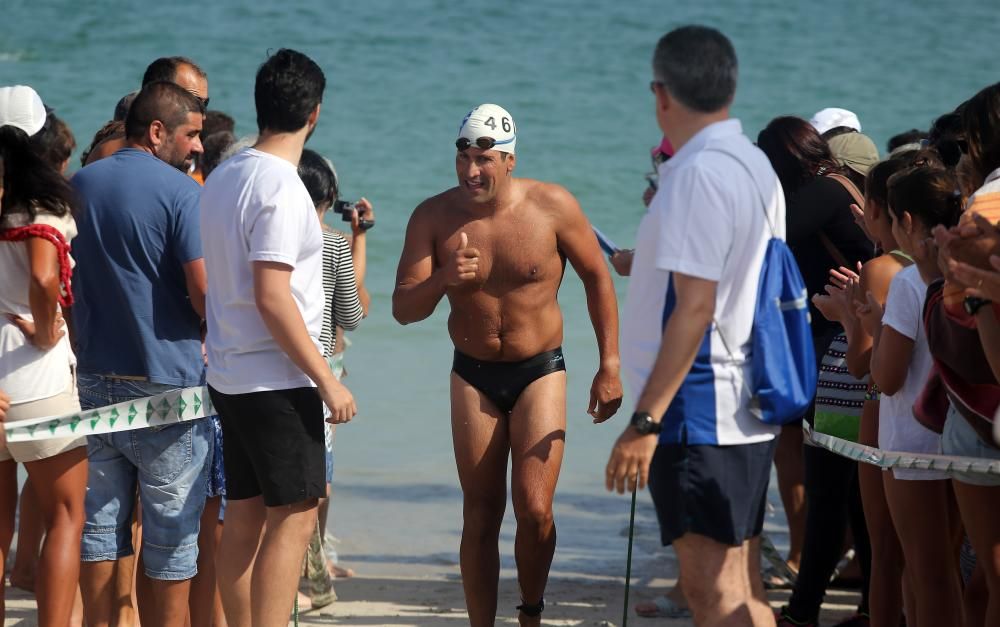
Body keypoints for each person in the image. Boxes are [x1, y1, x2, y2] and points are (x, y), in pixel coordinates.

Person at [393, 101, 623, 625]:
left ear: (509, 160)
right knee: (480, 513)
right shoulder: (433, 215)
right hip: (472, 373)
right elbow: (403, 309)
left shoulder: (553, 206)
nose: (471, 170)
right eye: (463, 156)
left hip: (540, 369)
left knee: (535, 510)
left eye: (484, 158)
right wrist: (444, 277)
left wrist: (609, 363)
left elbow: (597, 278)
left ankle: (531, 612)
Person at [604, 26, 778, 626]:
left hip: (699, 406)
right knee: (743, 589)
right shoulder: (753, 162)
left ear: (661, 94)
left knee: (712, 595)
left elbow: (696, 307)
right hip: (741, 402)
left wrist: (645, 422)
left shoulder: (698, 173)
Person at [201, 48, 356, 627]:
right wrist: (325, 379)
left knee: (242, 518)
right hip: (276, 378)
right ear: (314, 113)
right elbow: (272, 297)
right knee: (293, 517)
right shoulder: (284, 187)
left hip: (230, 374)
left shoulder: (224, 174)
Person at [70, 81, 210, 627]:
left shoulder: (80, 184)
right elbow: (203, 295)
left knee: (101, 530)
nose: (197, 146)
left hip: (96, 378)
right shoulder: (181, 194)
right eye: (191, 134)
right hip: (168, 386)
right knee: (172, 541)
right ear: (157, 132)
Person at [757, 116, 875, 603]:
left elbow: (758, 245)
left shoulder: (821, 195)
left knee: (830, 485)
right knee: (851, 492)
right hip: (847, 340)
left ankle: (805, 610)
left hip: (840, 347)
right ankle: (872, 605)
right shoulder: (837, 184)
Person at [0, 85, 90, 627]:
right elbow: (42, 273)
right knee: (64, 515)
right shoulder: (42, 205)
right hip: (36, 382)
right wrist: (42, 326)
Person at [862, 165, 965, 627]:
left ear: (905, 221)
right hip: (962, 437)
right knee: (950, 574)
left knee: (928, 576)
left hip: (912, 444)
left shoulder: (908, 282)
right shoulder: (963, 268)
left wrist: (868, 327)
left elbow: (886, 377)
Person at [296, 148, 366, 608]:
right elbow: (352, 315)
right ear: (330, 197)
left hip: (258, 371)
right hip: (317, 374)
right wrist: (358, 240)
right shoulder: (332, 243)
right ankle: (310, 581)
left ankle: (309, 576)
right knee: (316, 481)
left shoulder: (262, 235)